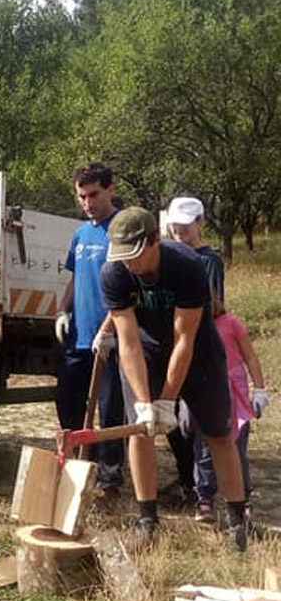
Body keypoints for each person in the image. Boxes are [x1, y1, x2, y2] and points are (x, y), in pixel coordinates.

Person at [99, 207, 249, 550]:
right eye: (122, 257)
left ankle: (236, 522)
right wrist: (145, 403)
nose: (129, 264)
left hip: (199, 354)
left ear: (155, 240)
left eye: (135, 255)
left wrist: (167, 401)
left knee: (218, 434)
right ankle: (147, 522)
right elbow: (129, 342)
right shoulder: (113, 273)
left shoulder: (186, 265)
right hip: (147, 354)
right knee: (140, 430)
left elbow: (185, 339)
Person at [53, 163, 125, 501]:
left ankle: (110, 479)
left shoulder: (120, 230)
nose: (88, 203)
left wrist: (109, 328)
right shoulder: (81, 234)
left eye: (94, 195)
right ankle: (81, 461)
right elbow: (75, 278)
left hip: (111, 338)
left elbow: (127, 286)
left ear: (110, 190)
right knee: (67, 398)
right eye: (82, 197)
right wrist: (62, 310)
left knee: (110, 409)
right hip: (80, 336)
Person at [163, 195, 225, 505]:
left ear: (200, 222)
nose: (179, 231)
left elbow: (214, 307)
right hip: (169, 347)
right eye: (175, 225)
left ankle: (202, 487)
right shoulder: (167, 255)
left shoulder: (208, 260)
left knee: (197, 422)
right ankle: (187, 477)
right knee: (170, 417)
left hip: (197, 349)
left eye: (185, 226)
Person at [191, 297, 269, 523]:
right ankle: (204, 497)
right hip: (205, 390)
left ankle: (242, 498)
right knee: (204, 447)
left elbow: (250, 356)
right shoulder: (191, 326)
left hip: (235, 393)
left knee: (236, 446)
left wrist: (259, 389)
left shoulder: (232, 323)